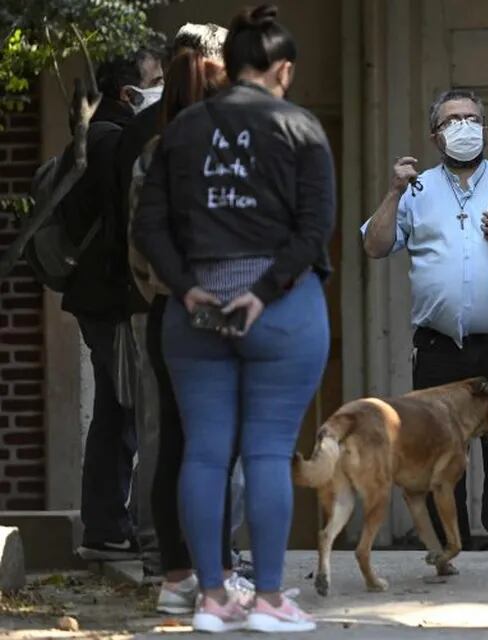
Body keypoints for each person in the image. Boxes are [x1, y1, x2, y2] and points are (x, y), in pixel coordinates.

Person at [134, 4, 335, 633]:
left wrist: (189, 288)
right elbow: (315, 228)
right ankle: (271, 599)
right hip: (282, 310)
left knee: (202, 453)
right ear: (282, 69)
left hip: (194, 314)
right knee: (269, 452)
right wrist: (266, 287)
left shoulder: (183, 130)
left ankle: (212, 598)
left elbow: (149, 225)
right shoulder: (300, 126)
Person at [361, 89, 488, 552]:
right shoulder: (417, 189)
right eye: (453, 120)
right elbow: (375, 246)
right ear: (436, 135)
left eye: (472, 118)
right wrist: (393, 192)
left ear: (485, 127)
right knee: (439, 451)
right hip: (439, 348)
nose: (465, 127)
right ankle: (444, 546)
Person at [126, 39, 255, 614]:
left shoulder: (154, 151)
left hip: (166, 307)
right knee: (211, 447)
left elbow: (141, 243)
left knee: (180, 443)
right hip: (207, 309)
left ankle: (179, 575)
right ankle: (214, 575)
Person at [68, 47, 165, 563]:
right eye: (156, 79)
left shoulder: (96, 135)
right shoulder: (117, 139)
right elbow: (124, 224)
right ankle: (112, 523)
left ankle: (106, 524)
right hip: (111, 296)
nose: (163, 85)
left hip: (97, 295)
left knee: (114, 404)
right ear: (129, 93)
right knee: (129, 409)